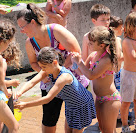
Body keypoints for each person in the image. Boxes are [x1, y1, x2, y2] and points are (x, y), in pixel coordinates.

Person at [16, 3, 89, 133]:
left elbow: (75, 51)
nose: (21, 31)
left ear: (32, 22)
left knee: (73, 122)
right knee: (49, 118)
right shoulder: (30, 42)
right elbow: (33, 66)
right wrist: (44, 74)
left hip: (72, 80)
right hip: (50, 78)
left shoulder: (56, 30)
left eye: (22, 27)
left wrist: (57, 71)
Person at [15, 47, 96, 133]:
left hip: (82, 104)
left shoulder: (64, 77)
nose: (42, 70)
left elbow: (48, 98)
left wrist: (25, 105)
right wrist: (19, 92)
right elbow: (32, 82)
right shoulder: (48, 70)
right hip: (70, 105)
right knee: (68, 131)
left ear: (54, 62)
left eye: (44, 67)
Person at [72, 26, 121, 133]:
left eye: (91, 43)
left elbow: (91, 75)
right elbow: (82, 72)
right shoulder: (92, 55)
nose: (88, 45)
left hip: (110, 100)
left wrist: (79, 62)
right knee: (103, 129)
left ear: (102, 45)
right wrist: (75, 62)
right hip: (99, 98)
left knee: (108, 131)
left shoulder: (106, 59)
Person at [120, 12, 136, 133]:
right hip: (129, 76)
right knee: (126, 103)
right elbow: (133, 57)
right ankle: (125, 126)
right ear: (135, 26)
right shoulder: (127, 41)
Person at [109, 15, 124, 92]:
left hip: (114, 73)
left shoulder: (116, 40)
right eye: (121, 27)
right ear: (114, 29)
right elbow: (119, 57)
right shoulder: (117, 40)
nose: (123, 29)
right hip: (116, 74)